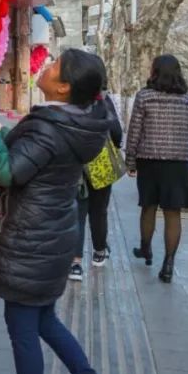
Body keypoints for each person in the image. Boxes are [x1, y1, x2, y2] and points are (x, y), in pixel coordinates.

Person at [0, 49, 119, 374]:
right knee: (45, 320)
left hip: (31, 241)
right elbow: (32, 158)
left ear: (64, 87)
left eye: (54, 66)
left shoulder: (51, 126)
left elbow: (9, 171)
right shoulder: (77, 123)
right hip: (53, 236)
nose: (46, 66)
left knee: (22, 325)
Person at [125, 54, 188, 283]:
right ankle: (168, 264)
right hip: (178, 164)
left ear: (154, 71)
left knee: (148, 206)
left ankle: (146, 249)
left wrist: (130, 162)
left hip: (149, 161)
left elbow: (135, 132)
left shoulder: (144, 97)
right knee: (172, 212)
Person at [69, 87, 123, 282]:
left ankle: (75, 263)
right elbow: (116, 132)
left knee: (78, 212)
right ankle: (99, 251)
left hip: (76, 162)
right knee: (99, 210)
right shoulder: (102, 100)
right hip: (101, 162)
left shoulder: (69, 98)